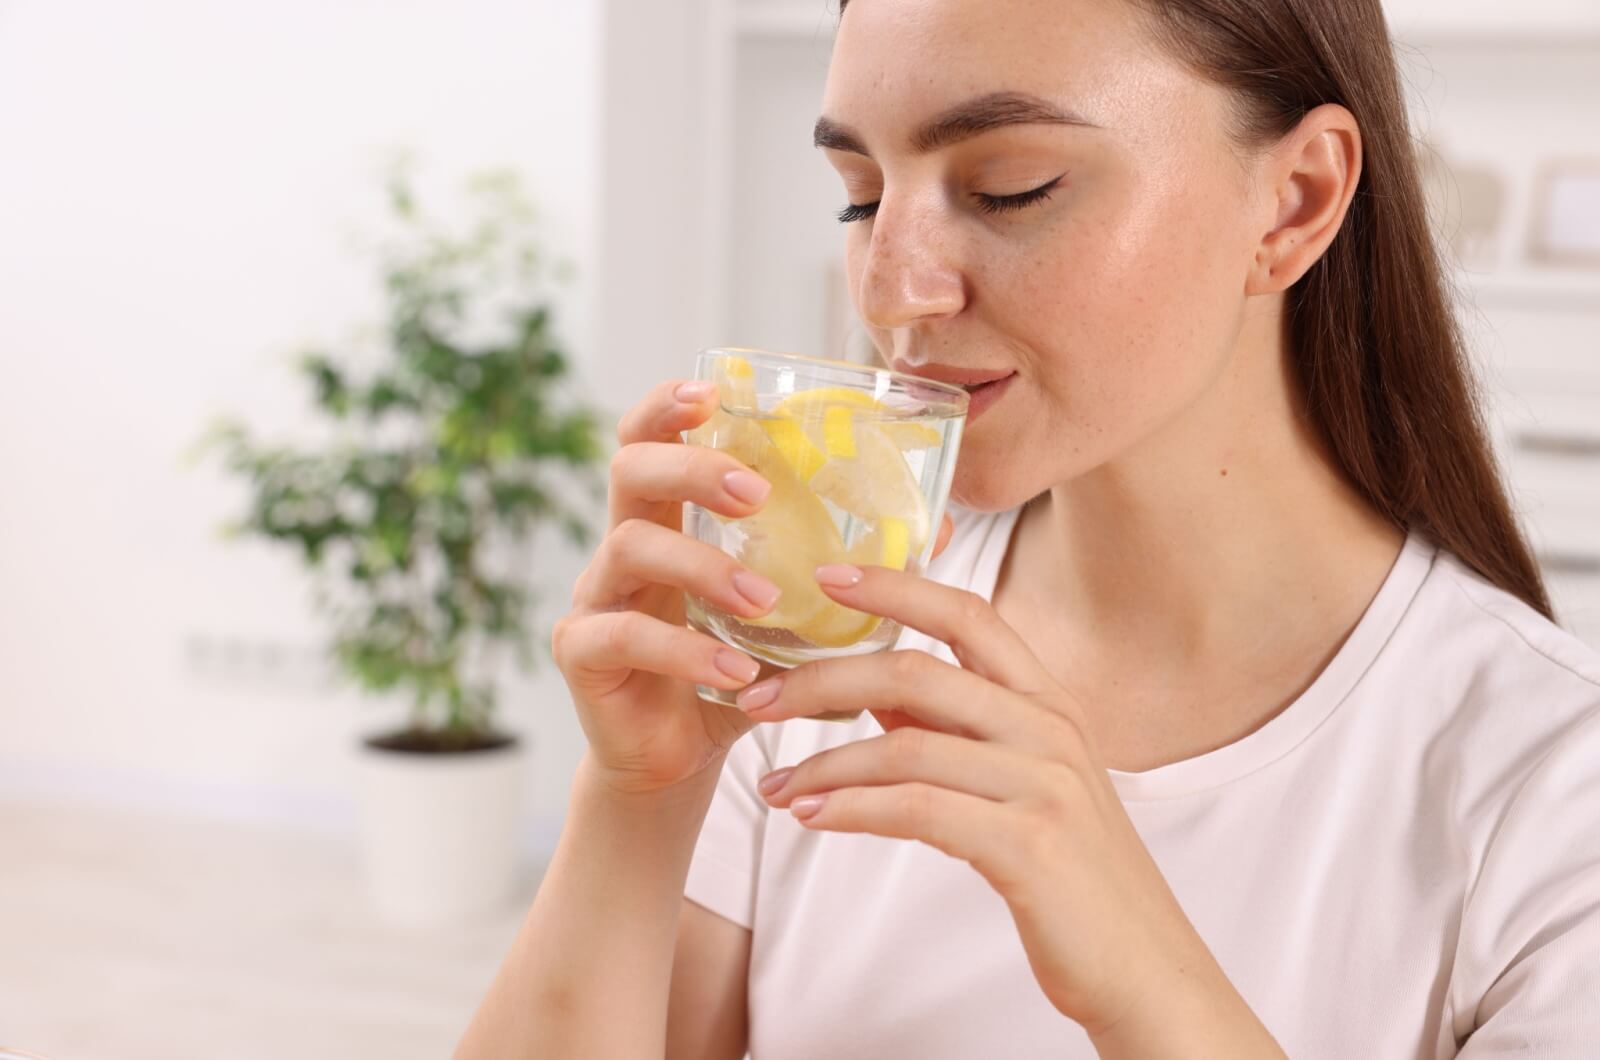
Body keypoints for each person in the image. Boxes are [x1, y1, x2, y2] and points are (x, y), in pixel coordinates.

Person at [457, 0, 1600, 1056]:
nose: (892, 288)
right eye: (860, 194)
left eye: (1010, 186)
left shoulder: (1553, 798)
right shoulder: (815, 649)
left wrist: (1146, 982)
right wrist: (640, 802)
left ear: (1293, 199)